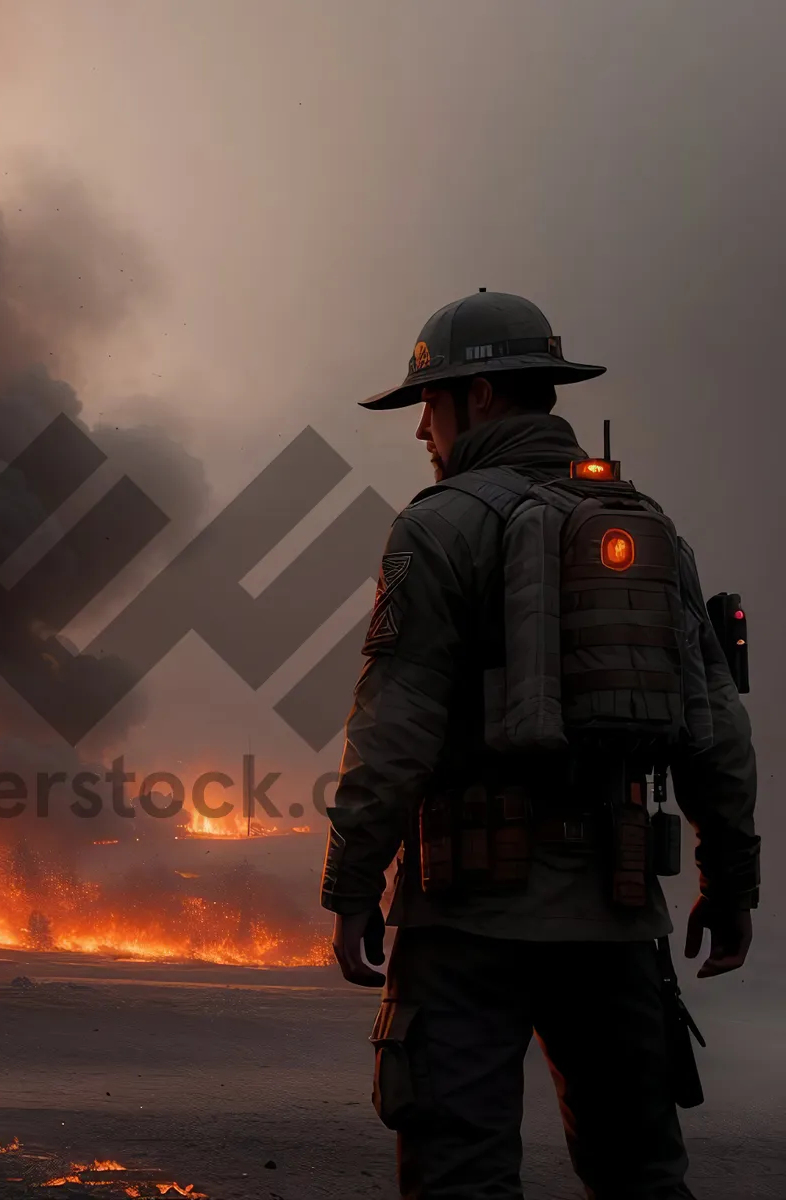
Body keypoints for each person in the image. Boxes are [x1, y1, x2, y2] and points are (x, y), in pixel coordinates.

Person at [320, 289, 759, 1200]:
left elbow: (393, 727)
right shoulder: (649, 528)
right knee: (640, 1174)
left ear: (478, 399)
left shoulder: (435, 527)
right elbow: (716, 727)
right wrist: (731, 881)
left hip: (469, 918)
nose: (420, 433)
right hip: (617, 912)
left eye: (428, 405)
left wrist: (352, 883)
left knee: (461, 1175)